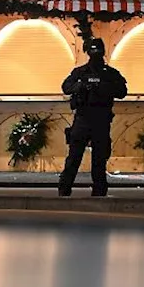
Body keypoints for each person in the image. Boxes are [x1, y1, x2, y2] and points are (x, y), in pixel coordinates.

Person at [58, 38, 128, 197]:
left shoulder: (110, 74)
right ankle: (64, 188)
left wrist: (103, 87)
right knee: (74, 158)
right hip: (83, 118)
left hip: (101, 120)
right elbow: (66, 87)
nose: (95, 54)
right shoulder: (80, 72)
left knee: (99, 160)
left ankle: (99, 191)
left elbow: (122, 92)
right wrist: (81, 86)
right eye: (93, 51)